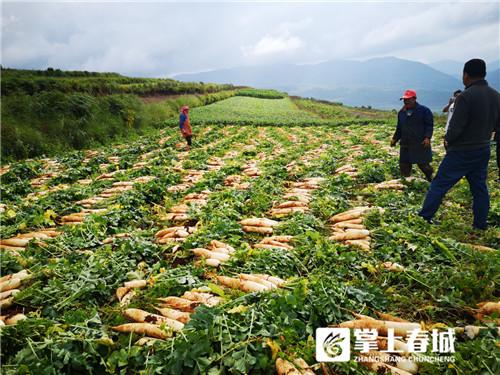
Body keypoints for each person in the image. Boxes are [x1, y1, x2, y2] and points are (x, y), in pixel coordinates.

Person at [419, 59, 500, 230]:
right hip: (483, 148)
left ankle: (424, 217)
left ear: (466, 75)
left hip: (462, 150)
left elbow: (456, 127)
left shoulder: (465, 96)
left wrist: (448, 139)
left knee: (439, 184)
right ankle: (480, 224)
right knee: (479, 188)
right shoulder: (495, 95)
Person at [390, 89, 434, 181]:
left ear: (414, 99)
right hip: (405, 143)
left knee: (424, 166)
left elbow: (429, 125)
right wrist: (395, 139)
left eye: (408, 99)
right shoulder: (401, 113)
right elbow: (399, 128)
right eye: (404, 100)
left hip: (420, 142)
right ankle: (407, 182)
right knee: (404, 164)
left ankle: (430, 178)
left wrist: (427, 137)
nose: (406, 101)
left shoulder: (424, 111)